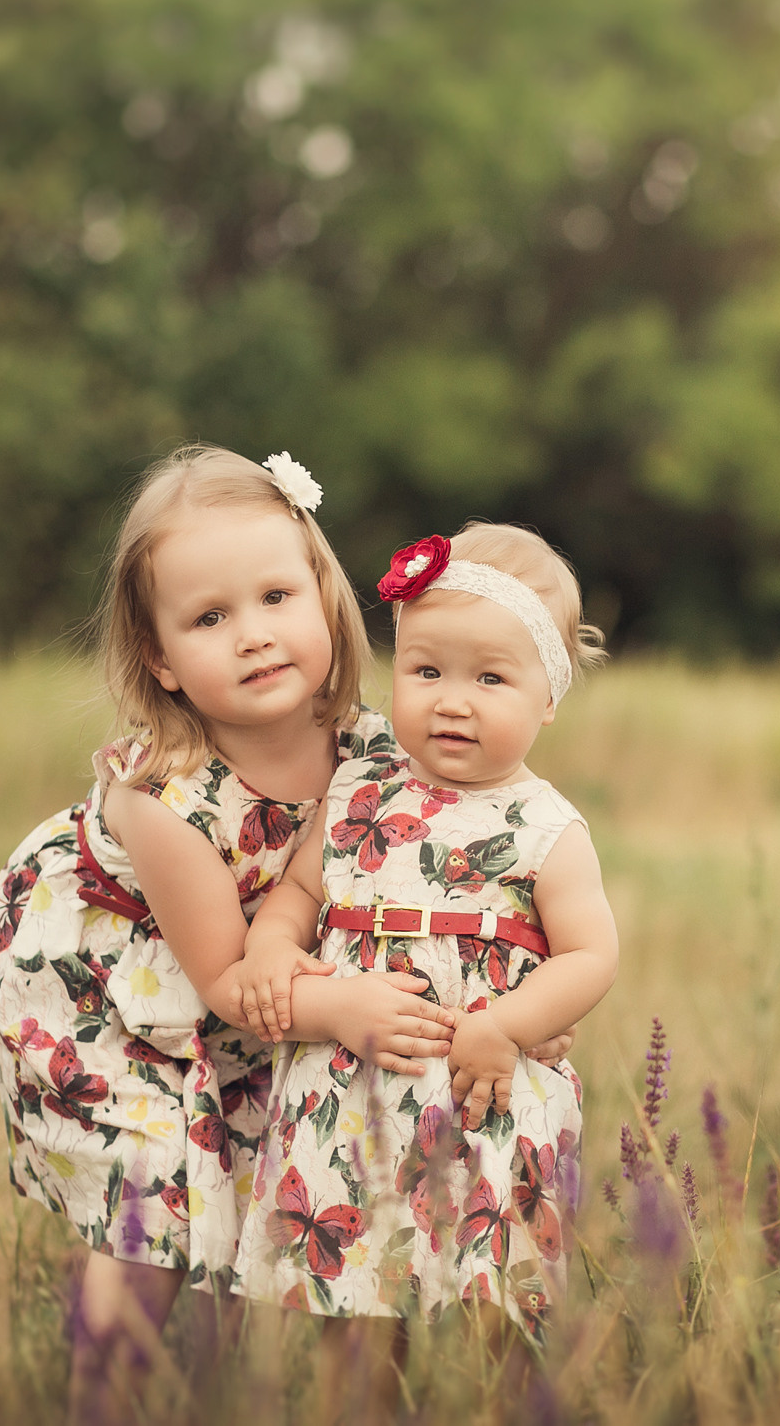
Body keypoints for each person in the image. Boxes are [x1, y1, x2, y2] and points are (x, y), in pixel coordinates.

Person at [0, 447, 478, 1418]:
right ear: (159, 657)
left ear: (325, 597)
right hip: (108, 986)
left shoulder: (373, 749)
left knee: (314, 1156)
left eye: (276, 596)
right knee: (156, 1195)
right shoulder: (162, 798)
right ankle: (102, 1397)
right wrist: (348, 1009)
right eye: (209, 618)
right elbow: (226, 985)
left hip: (263, 975)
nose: (253, 635)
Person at [228, 522, 620, 1379]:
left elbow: (591, 954)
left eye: (491, 678)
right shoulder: (360, 787)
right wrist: (270, 945)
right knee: (354, 1297)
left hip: (485, 1097)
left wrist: (508, 1023)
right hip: (349, 1095)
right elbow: (301, 890)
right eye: (427, 670)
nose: (452, 701)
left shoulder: (546, 827)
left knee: (499, 1292)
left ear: (548, 697)